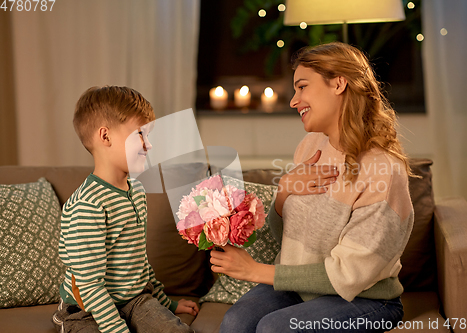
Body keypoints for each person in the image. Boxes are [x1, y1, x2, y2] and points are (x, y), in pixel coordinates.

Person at [210, 42, 415, 332]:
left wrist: (253, 271)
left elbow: (349, 275)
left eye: (302, 87)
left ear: (339, 84)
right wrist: (284, 192)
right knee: (234, 322)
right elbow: (289, 242)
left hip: (365, 299)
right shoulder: (311, 146)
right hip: (299, 288)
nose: (294, 101)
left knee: (276, 328)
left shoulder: (384, 171)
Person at [53, 86, 198, 333]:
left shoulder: (137, 192)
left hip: (134, 300)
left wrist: (167, 304)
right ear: (105, 136)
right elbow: (90, 286)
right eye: (140, 134)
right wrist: (118, 329)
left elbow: (138, 262)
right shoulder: (87, 206)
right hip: (88, 308)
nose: (148, 145)